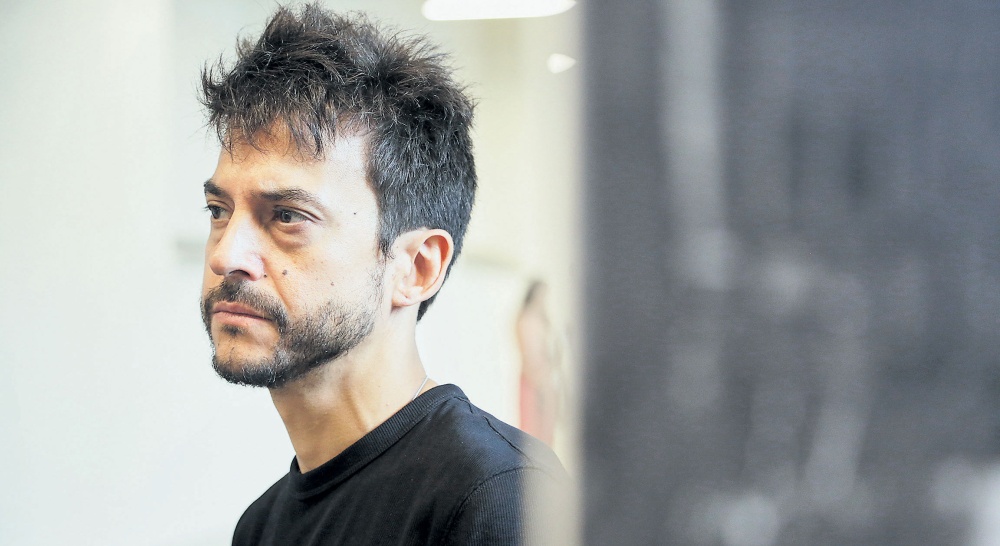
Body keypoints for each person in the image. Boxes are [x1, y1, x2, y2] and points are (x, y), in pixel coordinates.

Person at [197, 3, 565, 545]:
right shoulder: (260, 528)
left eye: (288, 216)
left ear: (416, 267)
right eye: (218, 211)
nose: (226, 255)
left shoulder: (501, 496)